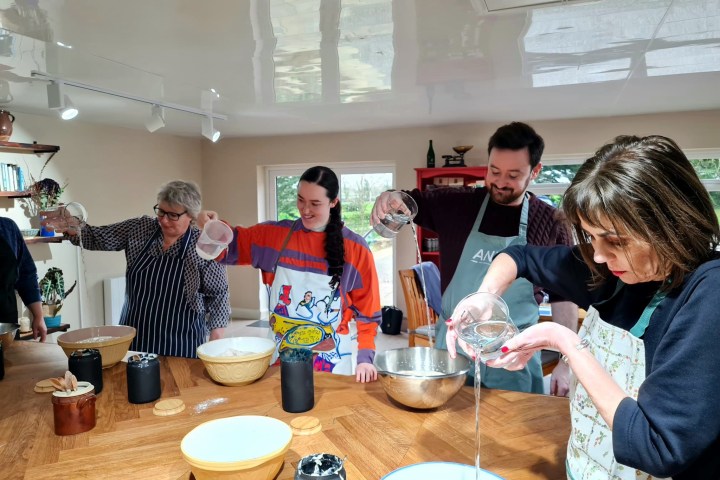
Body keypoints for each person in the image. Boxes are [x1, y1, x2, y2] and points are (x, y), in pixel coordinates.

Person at [447, 135, 720, 479]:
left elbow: (656, 447)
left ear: (666, 224)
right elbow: (518, 257)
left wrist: (564, 342)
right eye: (591, 237)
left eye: (615, 240)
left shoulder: (710, 295)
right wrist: (485, 298)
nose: (601, 256)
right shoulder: (612, 269)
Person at [371, 121, 578, 395]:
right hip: (454, 346)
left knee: (513, 431)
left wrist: (566, 361)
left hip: (514, 352)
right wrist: (390, 197)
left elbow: (564, 295)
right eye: (494, 171)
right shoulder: (460, 205)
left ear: (535, 172)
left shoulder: (551, 223)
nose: (501, 182)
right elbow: (410, 200)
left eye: (513, 175)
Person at [198, 166, 381, 383]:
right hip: (280, 354)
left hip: (331, 358)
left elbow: (368, 312)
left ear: (334, 202)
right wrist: (210, 226)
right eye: (301, 199)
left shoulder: (356, 249)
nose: (305, 210)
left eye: (315, 203)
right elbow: (227, 247)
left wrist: (365, 357)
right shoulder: (275, 237)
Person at [43, 181, 230, 358]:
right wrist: (72, 227)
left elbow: (219, 295)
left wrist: (215, 340)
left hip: (182, 340)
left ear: (191, 216)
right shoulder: (140, 228)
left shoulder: (204, 245)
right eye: (161, 212)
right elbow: (97, 237)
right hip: (135, 334)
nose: (164, 220)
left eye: (173, 215)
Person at [0, 217, 46, 341]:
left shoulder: (7, 228)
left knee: (8, 358)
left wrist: (38, 316)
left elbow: (26, 274)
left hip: (5, 321)